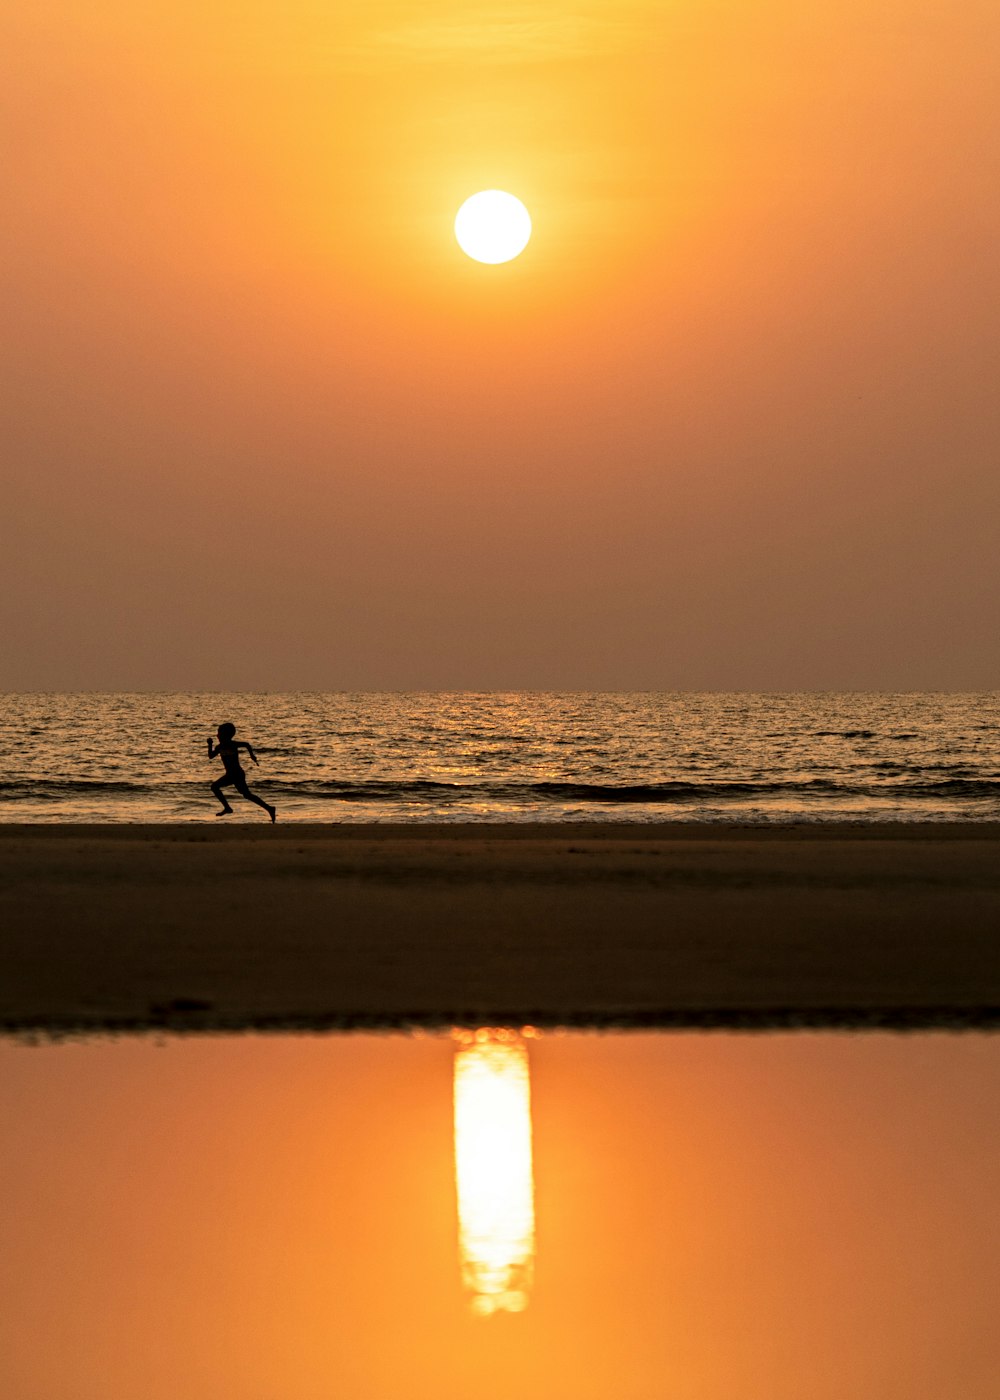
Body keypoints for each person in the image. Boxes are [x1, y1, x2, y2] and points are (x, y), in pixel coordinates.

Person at [207, 722, 276, 821]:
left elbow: (246, 744)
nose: (217, 735)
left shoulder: (233, 744)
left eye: (219, 733)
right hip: (231, 774)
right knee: (247, 795)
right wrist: (210, 745)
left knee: (215, 787)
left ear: (226, 735)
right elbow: (211, 756)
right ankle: (269, 808)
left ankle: (227, 808)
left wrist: (252, 755)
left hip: (237, 774)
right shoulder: (219, 747)